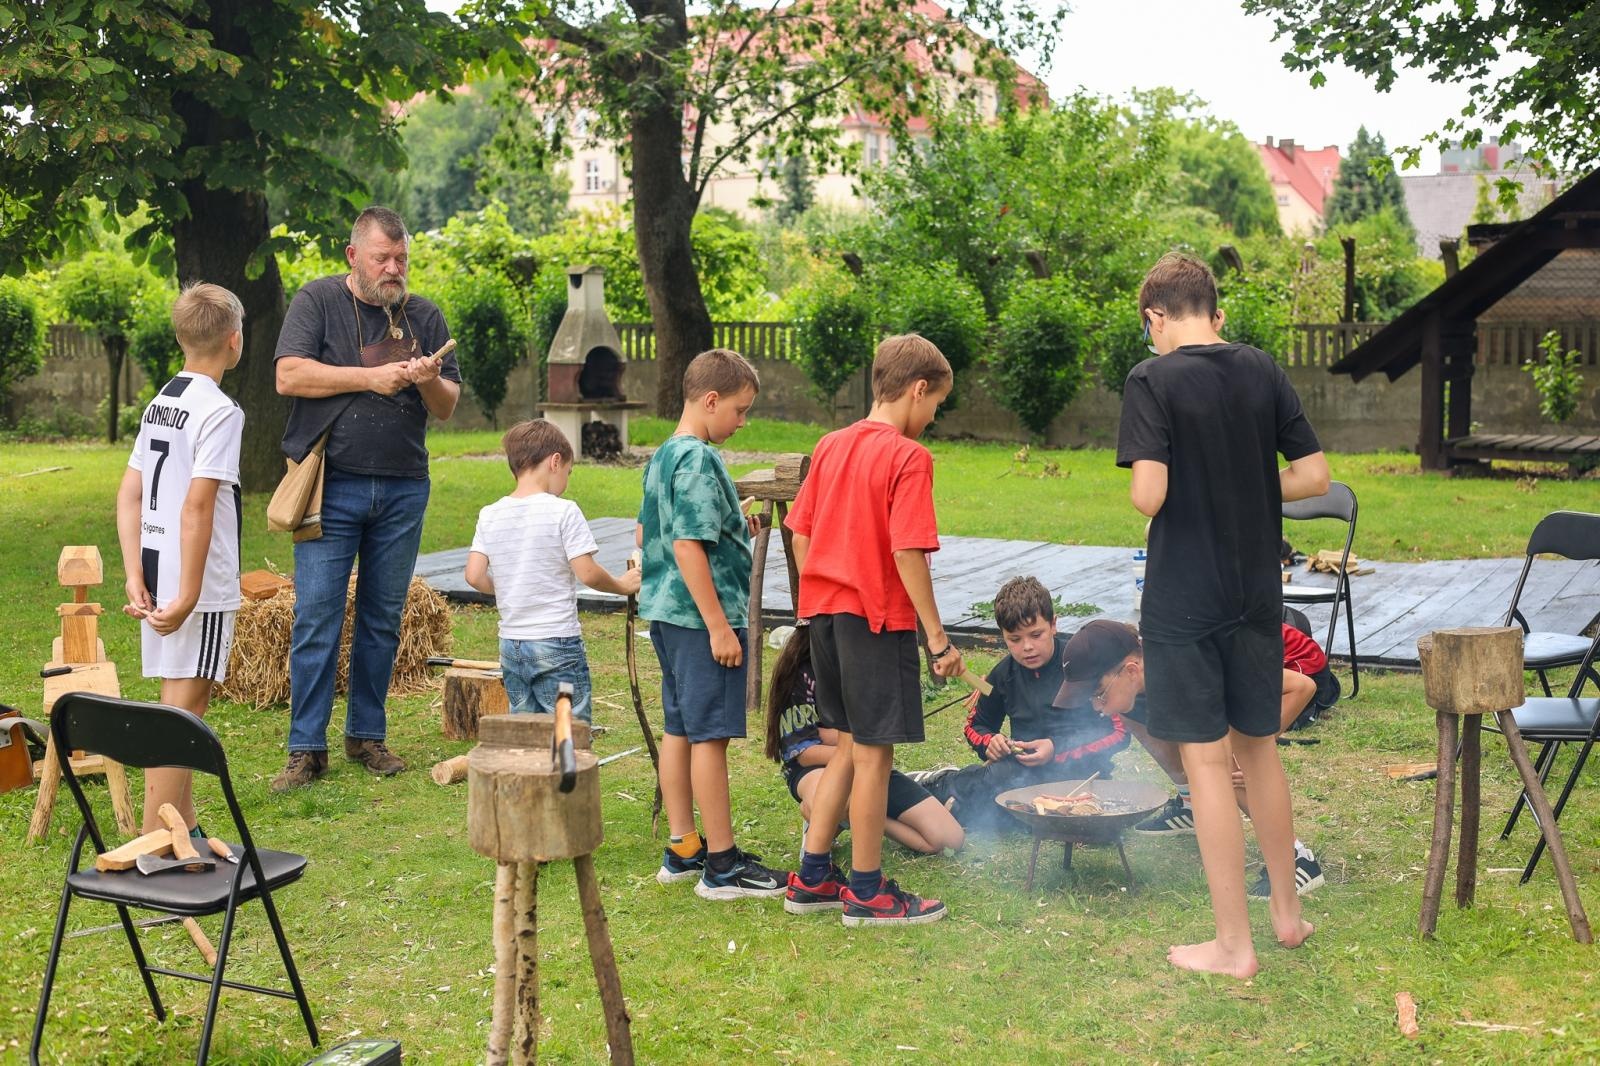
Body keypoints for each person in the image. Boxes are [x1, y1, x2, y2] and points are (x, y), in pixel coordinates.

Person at [1118, 251, 1329, 977]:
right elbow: (1312, 475)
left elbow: (1148, 495)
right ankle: (1287, 916)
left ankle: (1234, 947)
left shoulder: (1150, 379)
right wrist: (1245, 475)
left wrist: (1184, 473)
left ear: (1155, 317)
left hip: (1185, 598)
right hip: (1256, 592)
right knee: (1258, 749)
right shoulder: (1262, 368)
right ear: (1217, 312)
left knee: (1207, 764)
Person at [271, 206, 461, 792]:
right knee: (318, 615)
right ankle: (307, 749)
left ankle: (366, 737)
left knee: (382, 617)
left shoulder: (424, 314)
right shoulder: (318, 302)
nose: (394, 268)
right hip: (334, 482)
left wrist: (426, 374)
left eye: (401, 258)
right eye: (382, 257)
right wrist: (368, 376)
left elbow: (447, 404)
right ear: (354, 256)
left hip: (404, 485)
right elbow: (289, 376)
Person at [783, 334, 963, 927]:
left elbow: (799, 532)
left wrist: (822, 588)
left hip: (826, 621)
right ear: (917, 389)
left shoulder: (831, 446)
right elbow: (908, 551)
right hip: (876, 621)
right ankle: (866, 890)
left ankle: (812, 876)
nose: (933, 418)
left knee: (849, 749)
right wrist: (936, 638)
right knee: (874, 758)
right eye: (935, 404)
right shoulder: (909, 458)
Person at [638, 348, 788, 900]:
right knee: (710, 737)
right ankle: (723, 867)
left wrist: (733, 527)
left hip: (667, 616)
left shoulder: (664, 456)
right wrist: (720, 627)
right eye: (740, 410)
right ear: (710, 400)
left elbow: (647, 536)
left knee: (680, 728)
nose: (742, 421)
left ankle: (683, 848)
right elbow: (686, 545)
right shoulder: (701, 460)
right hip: (703, 622)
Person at [1055, 619, 1330, 899]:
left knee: (1221, 762)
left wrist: (1252, 752)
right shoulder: (1141, 680)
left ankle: (1296, 856)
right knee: (1126, 707)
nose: (1096, 707)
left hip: (1294, 670)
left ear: (1131, 669)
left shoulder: (1193, 668)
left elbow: (1302, 687)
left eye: (1098, 694)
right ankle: (1191, 805)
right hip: (1194, 696)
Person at [115, 283, 245, 834]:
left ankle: (183, 833)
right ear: (234, 342)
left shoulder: (162, 399)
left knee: (177, 701)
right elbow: (197, 507)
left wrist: (132, 575)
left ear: (181, 337)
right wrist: (192, 595)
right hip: (198, 584)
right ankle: (153, 845)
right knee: (183, 715)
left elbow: (128, 493)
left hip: (154, 571)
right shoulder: (220, 411)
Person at [908, 577, 1129, 831]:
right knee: (992, 794)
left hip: (1084, 775)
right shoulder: (1004, 675)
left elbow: (1119, 732)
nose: (1027, 647)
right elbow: (976, 725)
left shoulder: (1080, 664)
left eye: (1036, 635)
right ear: (1003, 635)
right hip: (1023, 778)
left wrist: (1056, 749)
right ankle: (930, 787)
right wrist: (990, 742)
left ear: (1054, 624)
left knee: (996, 806)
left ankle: (947, 794)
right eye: (1014, 639)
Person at [463, 419, 640, 722]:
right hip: (556, 643)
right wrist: (623, 585)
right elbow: (587, 573)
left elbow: (474, 576)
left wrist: (512, 585)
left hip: (512, 646)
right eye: (569, 473)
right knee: (570, 738)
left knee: (525, 735)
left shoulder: (489, 514)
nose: (566, 482)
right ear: (555, 461)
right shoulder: (563, 510)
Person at [763, 623, 964, 874]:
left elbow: (877, 733)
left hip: (870, 770)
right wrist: (854, 747)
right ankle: (841, 816)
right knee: (830, 800)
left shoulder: (870, 665)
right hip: (818, 770)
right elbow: (805, 753)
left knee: (949, 839)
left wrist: (833, 736)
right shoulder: (803, 671)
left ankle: (853, 816)